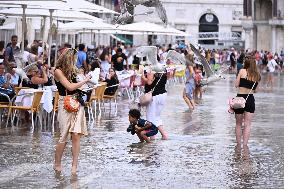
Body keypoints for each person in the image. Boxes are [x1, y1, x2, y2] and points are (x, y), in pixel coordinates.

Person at [53, 48, 91, 174]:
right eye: (74, 59)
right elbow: (69, 86)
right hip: (65, 103)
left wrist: (86, 82)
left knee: (76, 135)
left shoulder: (74, 71)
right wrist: (85, 80)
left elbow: (80, 86)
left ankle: (74, 165)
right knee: (63, 135)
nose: (75, 61)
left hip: (77, 102)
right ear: (68, 58)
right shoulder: (57, 71)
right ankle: (57, 163)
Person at [234, 57, 261, 148]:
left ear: (246, 63)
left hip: (239, 98)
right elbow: (256, 90)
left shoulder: (242, 71)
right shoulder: (257, 75)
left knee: (238, 123)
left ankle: (238, 145)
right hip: (250, 99)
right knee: (247, 124)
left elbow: (236, 85)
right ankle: (245, 145)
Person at [141, 67, 168, 140]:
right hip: (162, 95)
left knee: (150, 118)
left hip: (154, 96)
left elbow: (149, 82)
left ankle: (152, 139)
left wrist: (143, 76)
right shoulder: (163, 68)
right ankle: (164, 135)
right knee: (157, 117)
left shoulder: (151, 69)